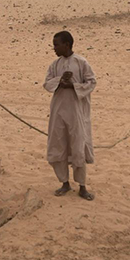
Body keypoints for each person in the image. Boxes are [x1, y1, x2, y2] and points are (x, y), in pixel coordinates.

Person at [44, 31, 96, 201]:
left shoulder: (81, 62)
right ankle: (64, 183)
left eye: (57, 44)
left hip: (76, 112)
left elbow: (91, 82)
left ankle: (82, 185)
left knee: (78, 145)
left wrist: (72, 86)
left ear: (67, 44)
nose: (54, 48)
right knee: (58, 144)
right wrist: (60, 81)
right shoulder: (55, 64)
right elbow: (47, 83)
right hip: (58, 111)